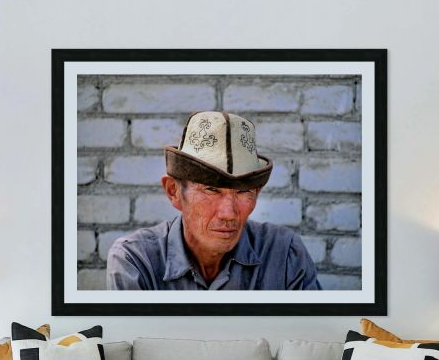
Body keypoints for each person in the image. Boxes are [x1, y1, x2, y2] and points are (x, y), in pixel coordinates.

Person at [106, 111, 321, 291]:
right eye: (211, 190)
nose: (229, 213)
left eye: (242, 191)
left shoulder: (285, 255)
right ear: (174, 192)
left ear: (257, 193)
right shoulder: (136, 261)